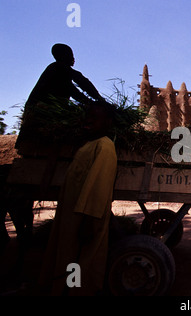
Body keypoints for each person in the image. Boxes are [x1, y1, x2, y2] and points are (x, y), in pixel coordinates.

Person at [39, 100, 117, 296]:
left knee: (80, 260)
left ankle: (77, 292)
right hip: (73, 219)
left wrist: (88, 220)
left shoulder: (105, 146)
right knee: (69, 259)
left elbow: (99, 186)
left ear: (107, 122)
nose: (88, 121)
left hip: (84, 220)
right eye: (87, 116)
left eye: (94, 118)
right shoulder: (90, 144)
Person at [17, 43, 104, 145]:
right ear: (62, 56)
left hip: (41, 113)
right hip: (42, 112)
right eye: (70, 55)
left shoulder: (59, 70)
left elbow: (81, 82)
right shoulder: (57, 68)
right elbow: (77, 87)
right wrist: (98, 102)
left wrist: (98, 100)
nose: (73, 58)